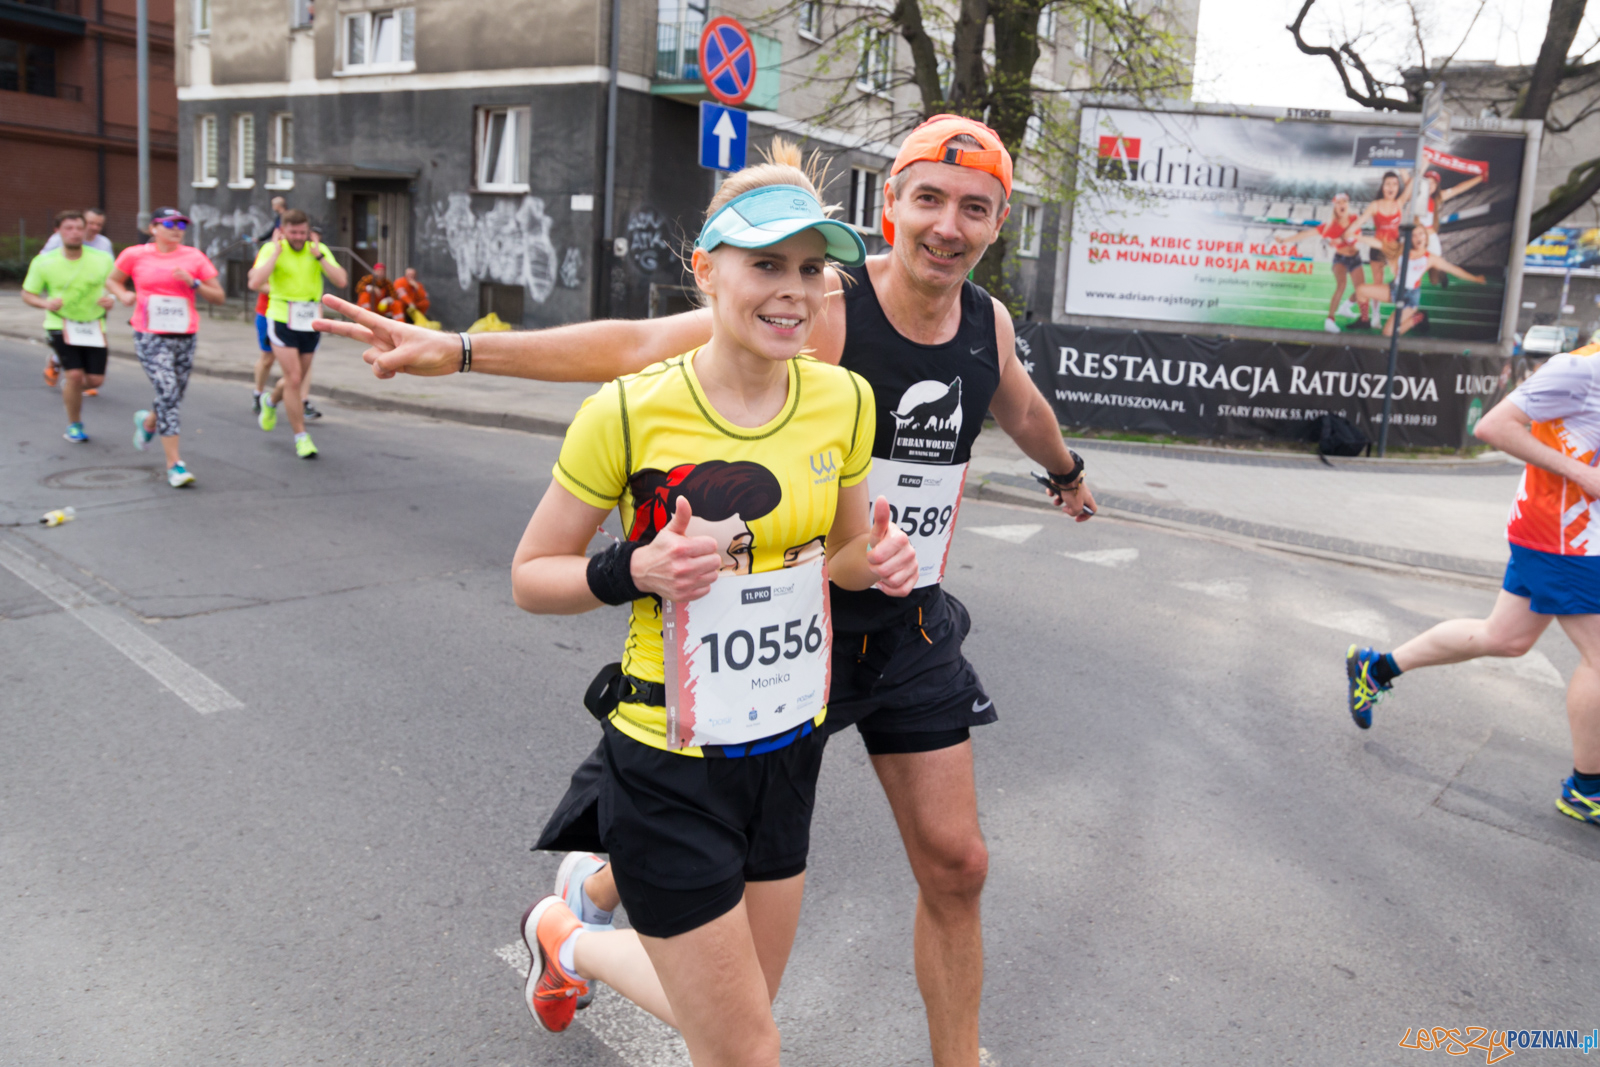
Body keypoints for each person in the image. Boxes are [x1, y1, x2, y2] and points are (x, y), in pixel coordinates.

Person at [319, 115, 1096, 1067]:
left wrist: (1064, 472)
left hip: (898, 625)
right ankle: (598, 900)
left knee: (958, 863)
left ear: (998, 220)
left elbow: (1016, 401)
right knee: (721, 944)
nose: (946, 225)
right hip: (771, 644)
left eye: (972, 208)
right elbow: (641, 342)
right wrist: (464, 351)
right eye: (927, 198)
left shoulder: (984, 325)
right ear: (889, 204)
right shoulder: (824, 306)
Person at [513, 146, 918, 1065]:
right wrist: (634, 570)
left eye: (813, 268)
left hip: (785, 746)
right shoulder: (627, 411)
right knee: (746, 1050)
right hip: (667, 757)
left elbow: (844, 557)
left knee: (742, 1019)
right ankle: (572, 933)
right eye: (766, 263)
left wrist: (879, 560)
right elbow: (532, 572)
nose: (794, 291)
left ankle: (566, 938)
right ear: (707, 270)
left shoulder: (846, 401)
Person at [1347, 338, 1600, 829]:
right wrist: (1581, 474)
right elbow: (1494, 425)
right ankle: (1586, 790)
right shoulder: (1580, 368)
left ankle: (1375, 669)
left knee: (1504, 638)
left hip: (1577, 537)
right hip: (1560, 537)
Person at [104, 207, 225, 488]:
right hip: (149, 334)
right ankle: (175, 465)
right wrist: (123, 294)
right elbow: (113, 279)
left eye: (181, 224)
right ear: (153, 228)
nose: (177, 228)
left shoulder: (194, 257)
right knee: (169, 391)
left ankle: (148, 422)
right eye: (169, 223)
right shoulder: (135, 254)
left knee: (173, 394)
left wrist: (193, 282)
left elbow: (218, 296)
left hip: (184, 335)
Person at [247, 208, 347, 458]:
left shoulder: (318, 250)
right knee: (292, 379)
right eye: (293, 232)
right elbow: (254, 282)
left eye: (303, 232)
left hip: (310, 319)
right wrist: (276, 253)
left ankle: (270, 402)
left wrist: (319, 257)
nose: (299, 237)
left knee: (297, 377)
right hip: (281, 317)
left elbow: (342, 280)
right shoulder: (272, 249)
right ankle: (301, 437)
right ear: (283, 230)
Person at [21, 210, 116, 442]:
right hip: (60, 324)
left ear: (86, 231)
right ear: (58, 231)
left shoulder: (102, 258)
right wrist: (45, 302)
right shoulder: (44, 262)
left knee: (95, 381)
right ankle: (74, 425)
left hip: (93, 325)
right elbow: (27, 294)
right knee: (75, 374)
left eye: (78, 228)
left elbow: (114, 285)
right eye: (68, 228)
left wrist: (111, 299)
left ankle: (71, 386)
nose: (74, 233)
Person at [1352, 223, 1486, 337]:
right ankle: (1364, 320)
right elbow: (1379, 244)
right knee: (1361, 290)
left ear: (1426, 237)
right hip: (1394, 289)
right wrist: (1358, 237)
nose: (1418, 237)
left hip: (1409, 298)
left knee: (1387, 333)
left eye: (1421, 234)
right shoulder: (1401, 249)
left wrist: (1475, 278)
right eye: (1414, 235)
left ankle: (1418, 317)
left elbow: (1454, 270)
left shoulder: (1430, 258)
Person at [40, 208, 115, 387]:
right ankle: (63, 368)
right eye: (91, 223)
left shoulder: (104, 244)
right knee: (69, 340)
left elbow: (112, 276)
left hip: (93, 304)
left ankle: (79, 379)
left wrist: (111, 296)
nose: (95, 227)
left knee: (87, 342)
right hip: (66, 306)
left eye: (99, 225)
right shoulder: (59, 240)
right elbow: (43, 264)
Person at [1279, 193, 1370, 332]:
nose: (1341, 204)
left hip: (1356, 258)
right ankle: (1330, 320)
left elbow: (1358, 232)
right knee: (1342, 284)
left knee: (1362, 289)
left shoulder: (1354, 219)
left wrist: (1344, 238)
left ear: (1348, 204)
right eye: (1338, 202)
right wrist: (1285, 240)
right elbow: (1306, 234)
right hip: (1340, 259)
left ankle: (1346, 307)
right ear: (1334, 206)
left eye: (1344, 201)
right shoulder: (1329, 226)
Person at [1354, 170, 1413, 286]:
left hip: (1394, 246)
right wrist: (1348, 232)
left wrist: (1404, 170)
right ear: (1383, 187)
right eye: (1388, 184)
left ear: (1398, 187)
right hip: (1377, 246)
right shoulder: (1375, 205)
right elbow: (1360, 221)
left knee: (1400, 277)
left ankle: (1401, 303)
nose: (1391, 187)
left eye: (1395, 184)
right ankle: (1376, 304)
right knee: (1377, 282)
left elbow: (1412, 184)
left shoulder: (1399, 203)